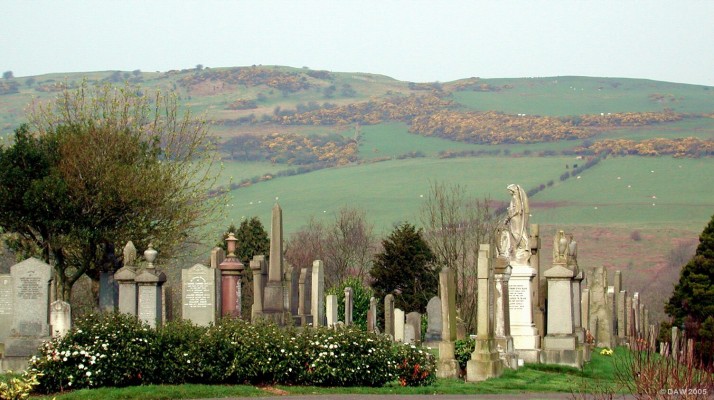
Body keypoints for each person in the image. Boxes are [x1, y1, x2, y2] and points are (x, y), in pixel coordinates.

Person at [505, 184, 530, 263]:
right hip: (513, 219)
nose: (509, 192)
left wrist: (509, 216)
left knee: (517, 233)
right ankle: (520, 247)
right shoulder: (514, 198)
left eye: (509, 190)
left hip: (516, 219)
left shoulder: (516, 198)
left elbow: (517, 210)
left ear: (512, 191)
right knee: (514, 233)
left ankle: (523, 246)